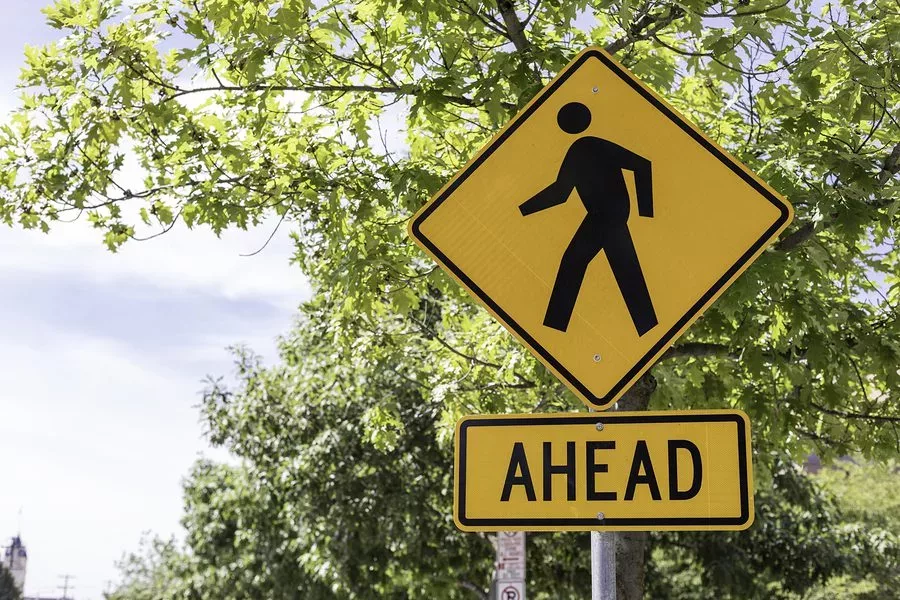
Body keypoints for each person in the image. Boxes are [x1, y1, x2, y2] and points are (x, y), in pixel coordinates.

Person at [519, 101, 658, 336]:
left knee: (573, 261)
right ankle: (648, 327)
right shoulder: (582, 147)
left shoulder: (588, 146)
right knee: (624, 268)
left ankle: (554, 328)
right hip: (605, 214)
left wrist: (647, 214)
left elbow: (642, 165)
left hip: (607, 215)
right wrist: (523, 210)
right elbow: (561, 193)